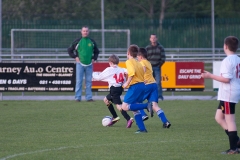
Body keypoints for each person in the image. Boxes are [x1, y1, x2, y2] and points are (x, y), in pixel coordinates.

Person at [201, 36, 240, 154]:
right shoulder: (237, 59)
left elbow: (226, 79)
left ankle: (234, 148)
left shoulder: (227, 61)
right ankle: (237, 141)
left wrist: (210, 76)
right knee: (218, 117)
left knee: (230, 120)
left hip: (228, 93)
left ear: (225, 46)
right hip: (229, 93)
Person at [117, 44, 152, 133]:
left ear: (128, 53)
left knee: (124, 107)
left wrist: (126, 83)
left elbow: (132, 73)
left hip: (135, 87)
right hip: (142, 86)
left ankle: (146, 105)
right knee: (135, 110)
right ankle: (142, 129)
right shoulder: (139, 63)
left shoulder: (129, 62)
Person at [92, 54, 134, 128]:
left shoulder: (109, 69)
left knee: (119, 106)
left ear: (110, 62)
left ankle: (128, 119)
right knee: (106, 100)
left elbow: (99, 77)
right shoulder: (122, 69)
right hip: (120, 89)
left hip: (114, 89)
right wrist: (126, 81)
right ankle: (115, 117)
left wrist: (92, 73)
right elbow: (128, 72)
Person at [137, 47, 171, 128]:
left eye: (137, 57)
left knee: (135, 101)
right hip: (153, 85)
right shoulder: (148, 62)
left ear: (141, 56)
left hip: (147, 85)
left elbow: (143, 69)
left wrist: (141, 78)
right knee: (155, 106)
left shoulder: (142, 63)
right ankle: (165, 121)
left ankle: (143, 115)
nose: (137, 59)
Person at [68, 26, 99, 102]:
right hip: (80, 64)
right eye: (84, 31)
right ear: (81, 32)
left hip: (89, 65)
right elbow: (69, 50)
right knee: (79, 81)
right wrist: (75, 57)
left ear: (88, 32)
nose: (85, 32)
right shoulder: (77, 41)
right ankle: (77, 98)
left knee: (88, 81)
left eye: (86, 31)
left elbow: (97, 51)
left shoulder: (92, 41)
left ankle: (89, 97)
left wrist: (94, 58)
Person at [145, 34, 165, 100]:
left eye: (154, 38)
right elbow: (145, 58)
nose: (153, 39)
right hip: (149, 68)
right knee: (149, 82)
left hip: (157, 67)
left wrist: (159, 65)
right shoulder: (147, 48)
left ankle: (159, 96)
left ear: (156, 38)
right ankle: (149, 96)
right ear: (150, 39)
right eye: (152, 38)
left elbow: (163, 58)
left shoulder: (160, 48)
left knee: (158, 82)